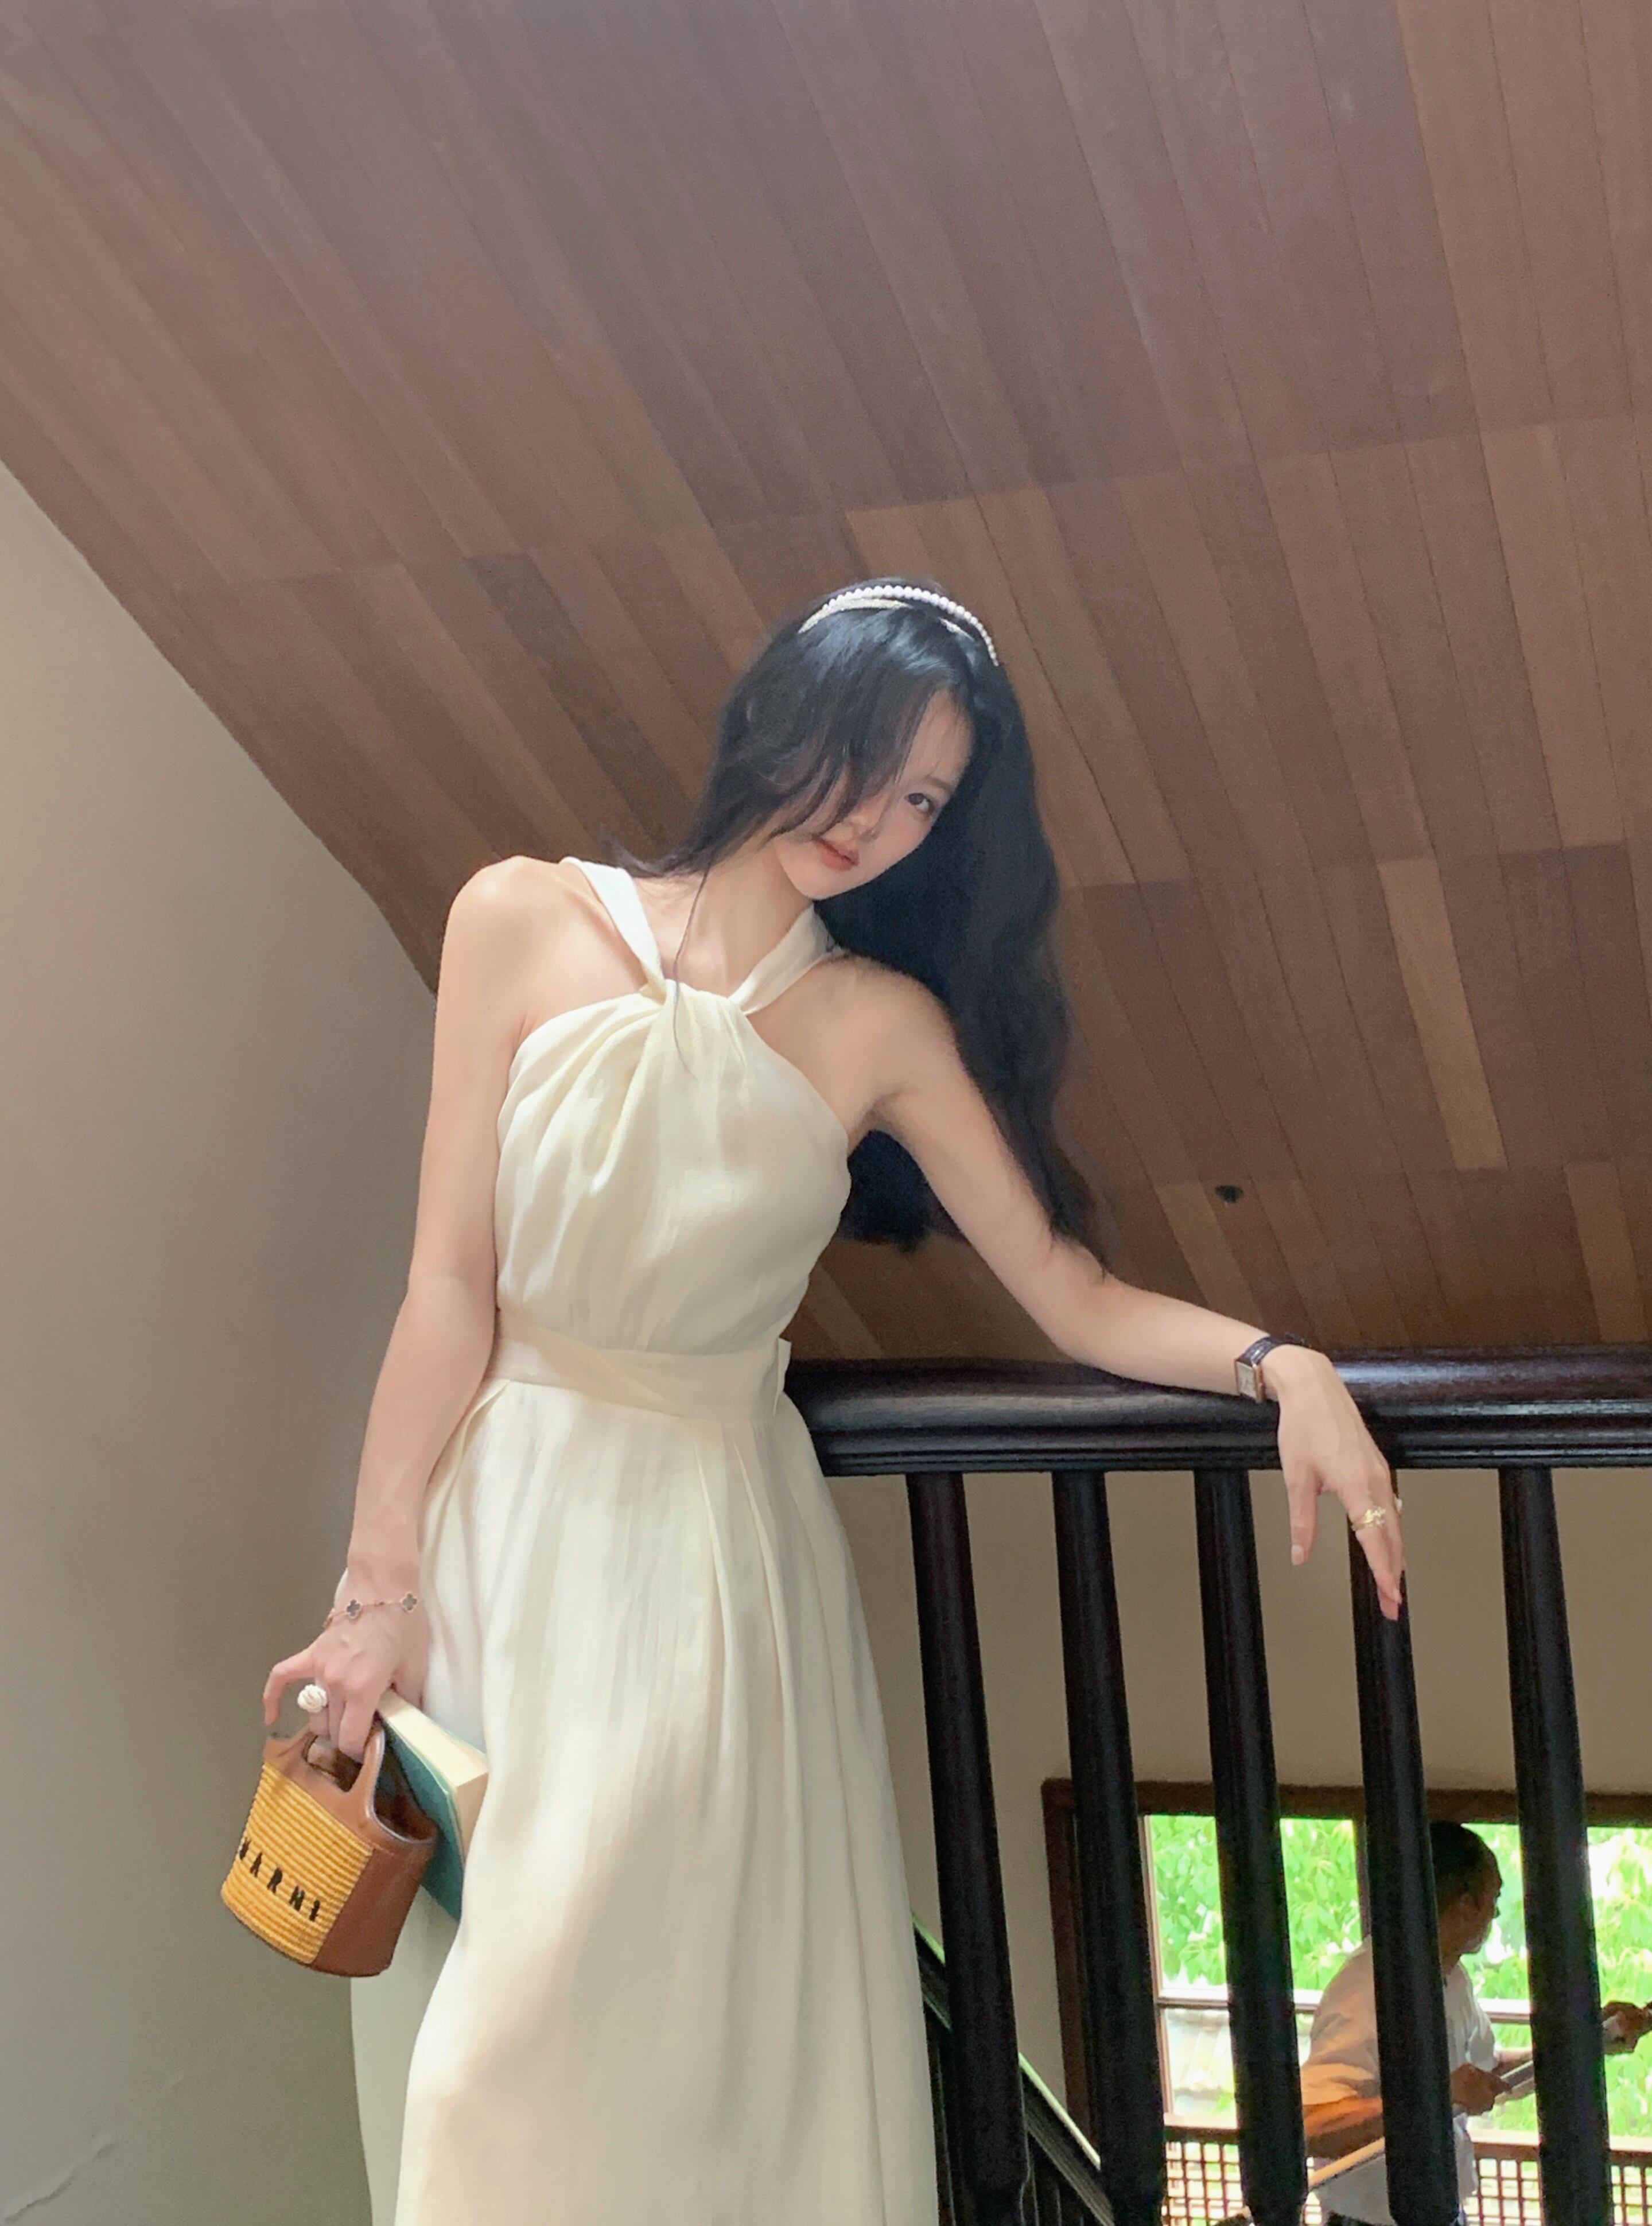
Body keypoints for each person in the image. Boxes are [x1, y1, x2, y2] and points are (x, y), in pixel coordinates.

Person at [263, 578, 1404, 2226]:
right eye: (863, 761)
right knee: (476, 2029)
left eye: (924, 798)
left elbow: (1071, 1291)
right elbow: (447, 1284)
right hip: (490, 1536)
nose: (875, 820)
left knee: (577, 2050)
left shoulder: (880, 1023)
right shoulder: (515, 914)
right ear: (774, 719)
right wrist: (375, 1590)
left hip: (702, 1562)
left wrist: (1277, 1362)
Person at [1302, 1821, 1652, 2226]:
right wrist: (1433, 2099)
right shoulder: (1367, 1988)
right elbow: (1308, 2125)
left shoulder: (1452, 1978)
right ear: (1466, 1903)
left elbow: (1489, 2072)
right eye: (1493, 1898)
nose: (1496, 1912)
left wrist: (1591, 2040)